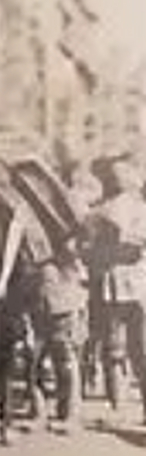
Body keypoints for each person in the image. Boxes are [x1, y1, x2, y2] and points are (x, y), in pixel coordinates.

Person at [83, 153, 146, 423]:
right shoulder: (101, 209)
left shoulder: (138, 208)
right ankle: (115, 404)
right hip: (110, 283)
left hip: (136, 283)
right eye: (114, 176)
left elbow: (134, 244)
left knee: (138, 347)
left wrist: (113, 243)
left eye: (122, 175)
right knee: (111, 345)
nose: (118, 180)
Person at [35, 233, 87, 435]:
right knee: (42, 359)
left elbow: (75, 253)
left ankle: (72, 415)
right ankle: (49, 410)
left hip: (65, 300)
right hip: (42, 298)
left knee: (66, 359)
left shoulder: (67, 223)